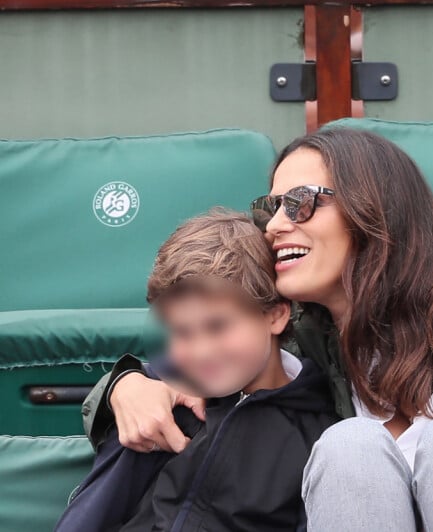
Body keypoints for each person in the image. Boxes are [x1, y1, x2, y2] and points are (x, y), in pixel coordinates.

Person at [83, 128, 433, 530]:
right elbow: (195, 365)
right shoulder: (299, 336)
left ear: (377, 206)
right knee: (351, 445)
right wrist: (123, 386)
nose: (275, 225)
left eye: (300, 202)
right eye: (270, 207)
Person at [56, 210, 338, 532]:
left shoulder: (320, 436)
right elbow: (93, 511)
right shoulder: (161, 400)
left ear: (275, 316)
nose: (202, 351)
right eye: (183, 332)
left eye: (218, 326)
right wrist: (123, 383)